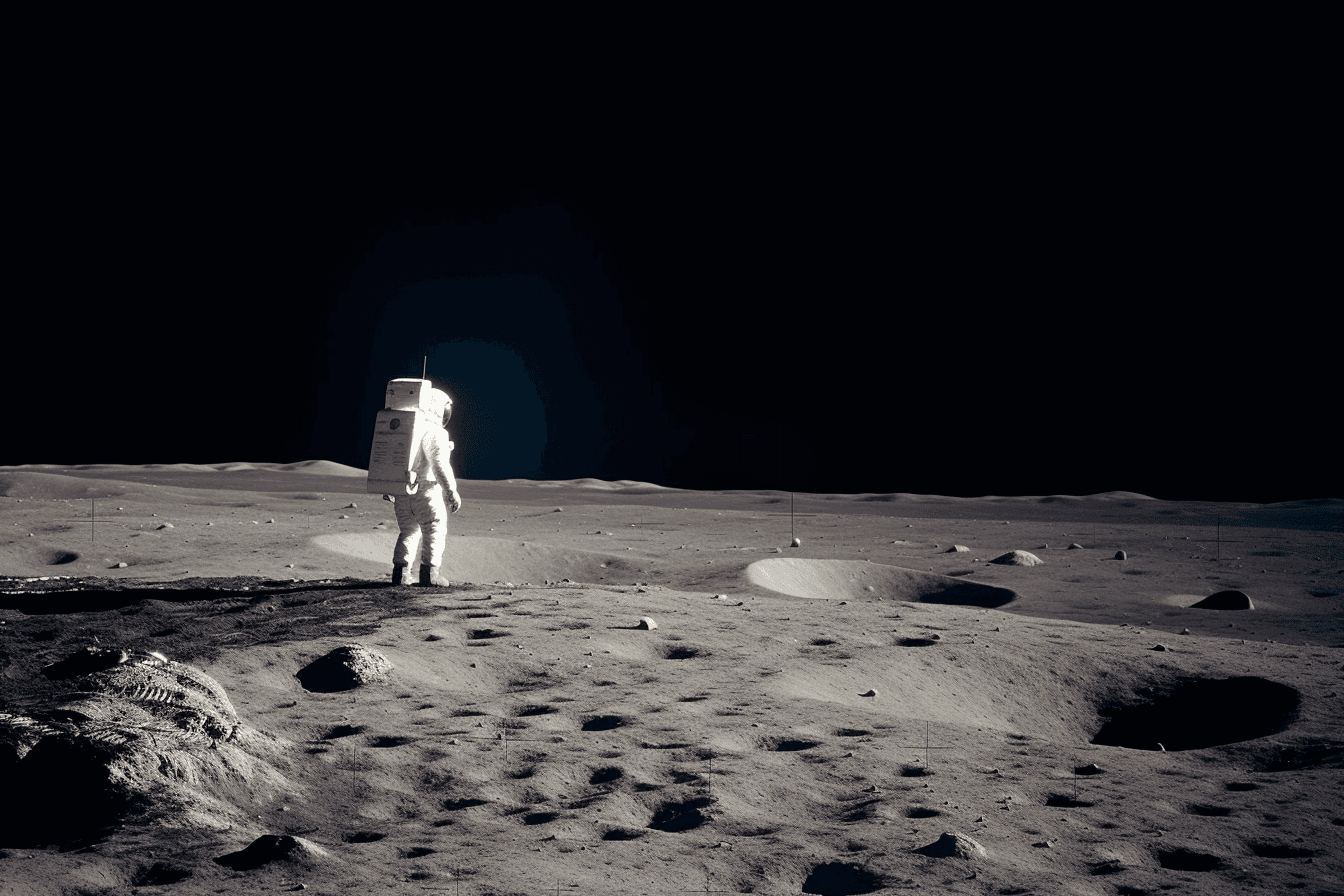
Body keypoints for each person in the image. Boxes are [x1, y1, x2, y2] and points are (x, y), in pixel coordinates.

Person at [385, 388, 463, 586]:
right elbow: (439, 465)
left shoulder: (405, 428)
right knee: (434, 528)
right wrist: (451, 491)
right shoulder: (435, 431)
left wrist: (389, 486)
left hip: (402, 491)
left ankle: (400, 574)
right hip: (426, 490)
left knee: (408, 532)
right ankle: (430, 574)